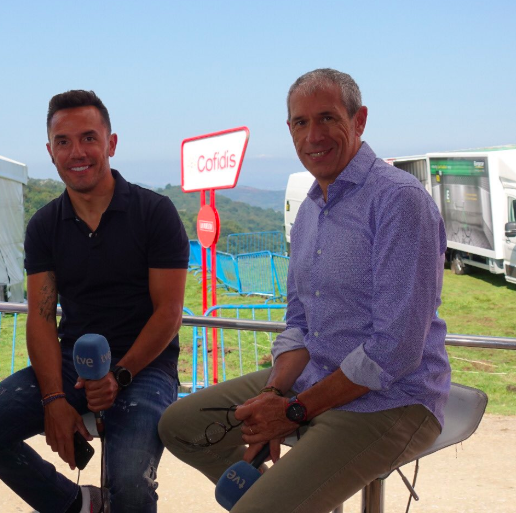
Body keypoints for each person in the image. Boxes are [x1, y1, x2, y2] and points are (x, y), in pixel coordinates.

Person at [158, 68, 451, 512]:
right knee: (179, 425)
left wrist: (295, 411)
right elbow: (299, 324)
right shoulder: (312, 208)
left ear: (359, 120)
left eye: (327, 118)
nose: (313, 135)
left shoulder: (398, 201)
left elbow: (395, 350)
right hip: (314, 377)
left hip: (392, 400)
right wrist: (275, 393)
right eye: (300, 122)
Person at [0, 90, 189, 513]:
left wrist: (120, 374)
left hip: (146, 367)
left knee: (131, 487)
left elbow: (169, 313)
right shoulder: (44, 226)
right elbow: (41, 319)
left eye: (88, 138)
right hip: (72, 364)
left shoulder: (155, 212)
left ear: (110, 143)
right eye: (63, 141)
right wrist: (53, 399)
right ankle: (76, 504)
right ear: (50, 151)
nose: (76, 152)